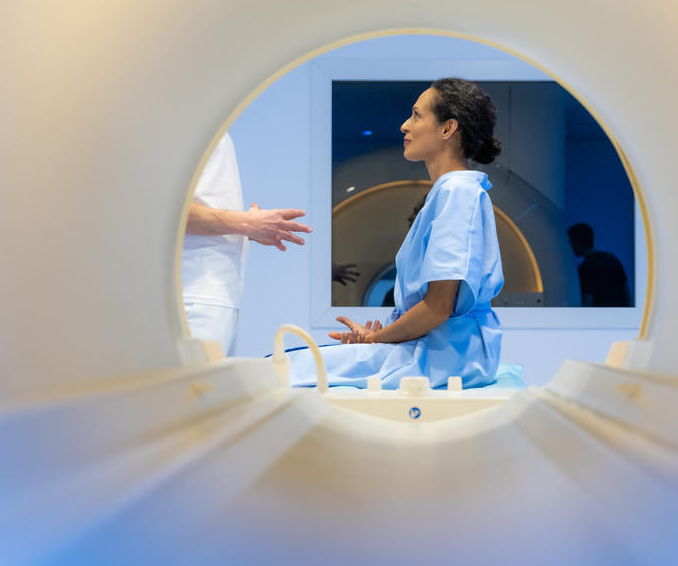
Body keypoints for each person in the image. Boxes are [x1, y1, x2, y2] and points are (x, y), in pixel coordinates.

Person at [287, 78, 505, 389]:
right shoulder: (449, 193)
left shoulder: (457, 192)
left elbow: (438, 307)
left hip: (446, 357)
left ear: (447, 128)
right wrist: (380, 337)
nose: (405, 126)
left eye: (417, 115)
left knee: (284, 371)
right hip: (435, 348)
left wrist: (376, 339)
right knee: (294, 363)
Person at [183, 134, 311, 355]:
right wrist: (247, 224)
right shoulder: (177, 126)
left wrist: (246, 231)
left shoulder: (209, 128)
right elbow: (160, 209)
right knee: (193, 389)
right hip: (194, 295)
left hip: (215, 294)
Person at [566, 222, 632, 307]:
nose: (571, 247)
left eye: (571, 243)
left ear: (577, 242)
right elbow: (627, 293)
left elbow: (587, 302)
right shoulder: (613, 259)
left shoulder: (585, 268)